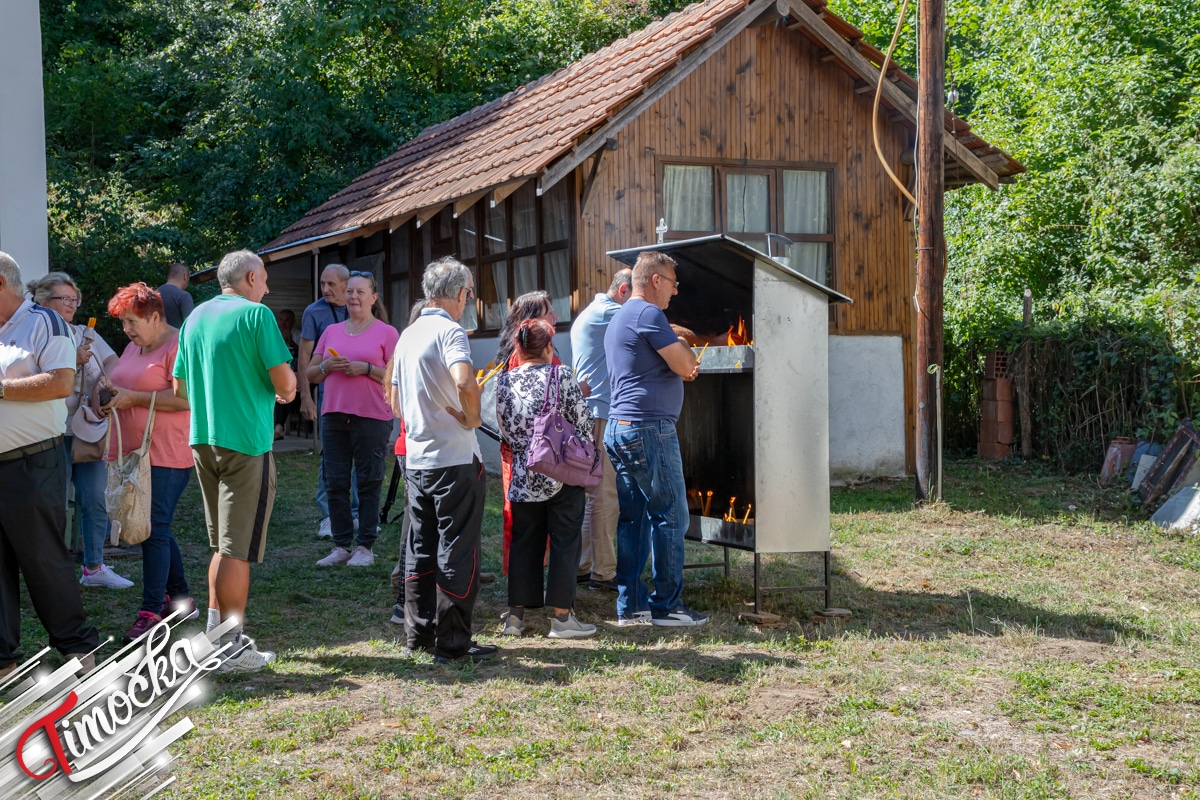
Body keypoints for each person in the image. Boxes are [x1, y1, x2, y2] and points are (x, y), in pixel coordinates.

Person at [174, 249, 296, 673]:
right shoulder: (256, 316)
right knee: (237, 550)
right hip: (246, 441)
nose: (267, 287)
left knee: (223, 546)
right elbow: (284, 380)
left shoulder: (195, 318)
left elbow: (179, 390)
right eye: (263, 279)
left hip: (203, 441)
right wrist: (286, 389)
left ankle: (214, 639)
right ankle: (231, 646)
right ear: (248, 278)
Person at [0, 252, 100, 677]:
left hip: (31, 463)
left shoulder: (45, 322)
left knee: (43, 560)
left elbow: (60, 382)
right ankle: (4, 661)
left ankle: (78, 651)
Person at [391, 257, 495, 664]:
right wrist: (472, 415)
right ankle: (453, 642)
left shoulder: (409, 333)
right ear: (457, 294)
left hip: (417, 457)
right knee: (457, 548)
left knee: (420, 545)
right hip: (453, 457)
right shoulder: (450, 331)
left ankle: (418, 634)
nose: (469, 300)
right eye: (469, 293)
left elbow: (397, 401)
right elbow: (465, 379)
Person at [604, 251, 707, 627]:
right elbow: (685, 365)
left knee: (634, 519)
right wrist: (682, 347)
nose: (675, 293)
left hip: (621, 427)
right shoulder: (649, 314)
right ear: (655, 281)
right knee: (672, 515)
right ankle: (667, 606)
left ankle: (631, 605)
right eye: (673, 284)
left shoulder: (620, 318)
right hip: (649, 429)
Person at [104, 283, 198, 642]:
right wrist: (111, 399)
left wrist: (133, 399)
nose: (127, 329)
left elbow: (185, 398)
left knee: (153, 527)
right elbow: (125, 385)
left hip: (167, 451)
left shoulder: (179, 345)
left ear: (155, 316)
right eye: (124, 322)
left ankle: (151, 610)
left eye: (132, 321)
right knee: (155, 526)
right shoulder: (134, 345)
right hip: (133, 451)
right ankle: (180, 599)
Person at [26, 272, 131, 589]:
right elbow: (31, 376)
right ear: (43, 302)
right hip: (50, 434)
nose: (72, 305)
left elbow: (115, 361)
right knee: (52, 503)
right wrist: (71, 359)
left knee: (94, 499)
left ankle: (94, 567)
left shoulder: (85, 332)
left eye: (75, 299)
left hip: (88, 430)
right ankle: (50, 572)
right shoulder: (33, 333)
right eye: (65, 299)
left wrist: (105, 381)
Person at [495, 319, 597, 639]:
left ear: (518, 348)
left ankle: (515, 618)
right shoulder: (561, 375)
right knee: (565, 542)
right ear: (549, 347)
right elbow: (584, 421)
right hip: (561, 471)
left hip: (524, 474)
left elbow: (504, 430)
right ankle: (562, 618)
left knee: (525, 542)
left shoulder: (503, 381)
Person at [307, 271, 398, 567]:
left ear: (373, 297)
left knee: (369, 481)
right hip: (334, 415)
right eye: (350, 292)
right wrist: (327, 366)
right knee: (335, 481)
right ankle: (341, 545)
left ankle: (365, 547)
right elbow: (310, 372)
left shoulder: (387, 332)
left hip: (372, 417)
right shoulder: (331, 331)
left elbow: (396, 375)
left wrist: (366, 368)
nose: (353, 297)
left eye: (360, 292)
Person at [569, 268, 633, 593]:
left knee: (593, 492)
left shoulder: (591, 312)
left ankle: (583, 565)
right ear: (623, 291)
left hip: (589, 413)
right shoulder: (613, 312)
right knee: (605, 494)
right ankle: (604, 572)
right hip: (600, 415)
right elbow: (651, 328)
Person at [493, 291, 560, 576]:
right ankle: (522, 583)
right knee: (523, 519)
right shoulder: (522, 356)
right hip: (529, 452)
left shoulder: (539, 350)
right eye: (548, 313)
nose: (554, 318)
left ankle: (527, 581)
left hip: (537, 450)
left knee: (532, 520)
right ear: (530, 321)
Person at [299, 265, 359, 538]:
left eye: (331, 284)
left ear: (347, 285)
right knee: (330, 456)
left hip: (359, 394)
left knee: (360, 455)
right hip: (328, 393)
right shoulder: (315, 311)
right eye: (323, 283)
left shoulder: (360, 307)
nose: (325, 289)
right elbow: (304, 357)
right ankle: (327, 516)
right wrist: (306, 396)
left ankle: (356, 514)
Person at [274, 309, 301, 440]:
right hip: (279, 374)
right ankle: (277, 426)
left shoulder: (298, 335)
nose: (283, 324)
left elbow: (305, 355)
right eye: (281, 320)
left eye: (287, 320)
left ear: (293, 322)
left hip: (297, 374)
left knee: (290, 387)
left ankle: (278, 427)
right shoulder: (273, 334)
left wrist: (291, 342)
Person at [157, 262, 194, 328]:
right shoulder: (183, 296)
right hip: (178, 337)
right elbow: (190, 326)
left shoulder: (154, 294)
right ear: (185, 276)